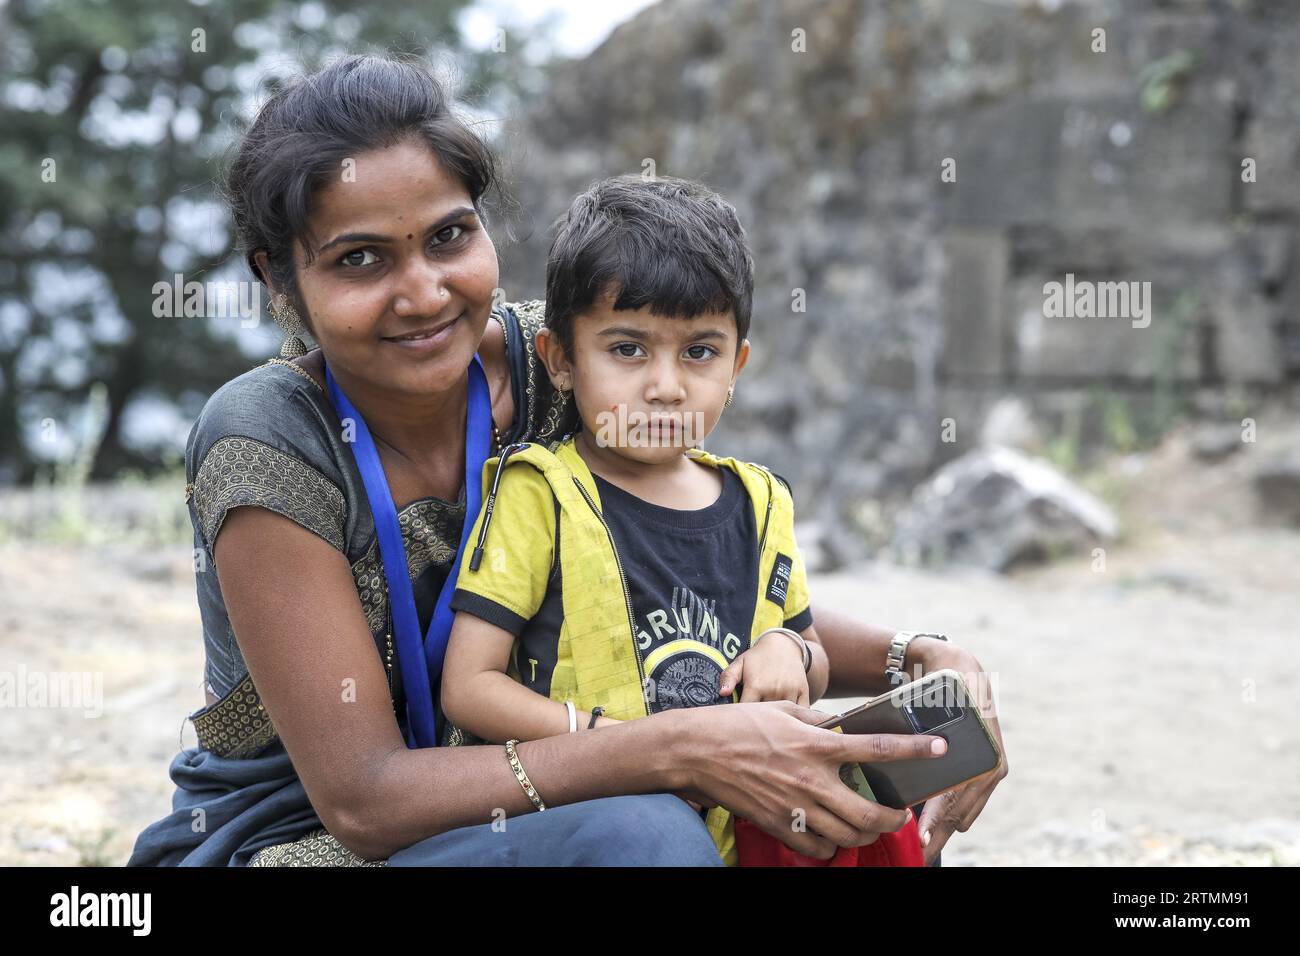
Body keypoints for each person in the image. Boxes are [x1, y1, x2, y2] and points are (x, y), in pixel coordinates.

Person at [128, 53, 1006, 867]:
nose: (425, 292)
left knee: (876, 776)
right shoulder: (268, 439)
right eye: (360, 260)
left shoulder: (563, 365)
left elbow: (701, 574)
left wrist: (916, 658)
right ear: (279, 280)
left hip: (549, 797)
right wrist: (681, 748)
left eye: (447, 237)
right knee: (648, 829)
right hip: (310, 840)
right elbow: (363, 800)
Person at [441, 174, 926, 865]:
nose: (666, 386)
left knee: (890, 819)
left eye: (699, 351)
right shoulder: (541, 493)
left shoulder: (761, 503)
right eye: (627, 349)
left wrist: (787, 654)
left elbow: (810, 654)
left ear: (737, 366)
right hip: (610, 823)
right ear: (560, 361)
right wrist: (611, 738)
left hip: (755, 814)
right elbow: (470, 688)